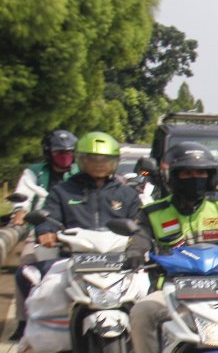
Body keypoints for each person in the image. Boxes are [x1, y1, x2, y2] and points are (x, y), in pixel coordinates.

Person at [127, 142, 218, 353]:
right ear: (174, 177)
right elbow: (139, 237)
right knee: (141, 312)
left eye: (201, 173)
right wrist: (135, 251)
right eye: (187, 174)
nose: (195, 179)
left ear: (210, 177)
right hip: (172, 291)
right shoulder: (153, 212)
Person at [18, 132, 142, 320]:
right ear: (81, 160)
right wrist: (46, 232)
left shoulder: (127, 194)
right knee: (27, 275)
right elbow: (48, 217)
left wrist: (139, 239)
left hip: (119, 261)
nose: (99, 164)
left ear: (115, 162)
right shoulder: (62, 192)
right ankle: (26, 325)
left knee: (151, 294)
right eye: (93, 159)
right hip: (73, 258)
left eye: (105, 160)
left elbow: (140, 222)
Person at [8, 130, 78, 340]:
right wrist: (20, 212)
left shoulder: (79, 173)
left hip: (75, 231)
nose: (64, 156)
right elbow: (23, 196)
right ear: (48, 153)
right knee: (26, 267)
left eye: (68, 152)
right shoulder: (34, 172)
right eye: (59, 152)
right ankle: (23, 321)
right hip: (40, 232)